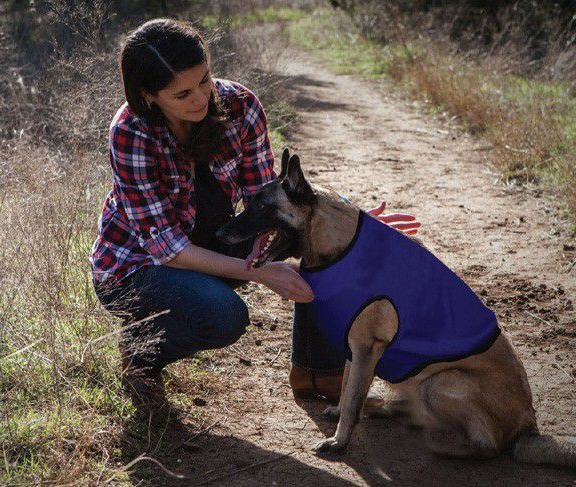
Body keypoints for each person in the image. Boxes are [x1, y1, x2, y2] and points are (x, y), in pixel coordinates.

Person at [89, 18, 419, 408]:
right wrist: (261, 272)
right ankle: (140, 351)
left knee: (321, 245)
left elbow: (271, 204)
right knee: (224, 315)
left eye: (204, 80)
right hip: (137, 267)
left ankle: (317, 372)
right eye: (182, 94)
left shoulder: (240, 106)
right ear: (148, 96)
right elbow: (167, 249)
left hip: (212, 241)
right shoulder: (131, 131)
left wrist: (350, 225)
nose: (201, 98)